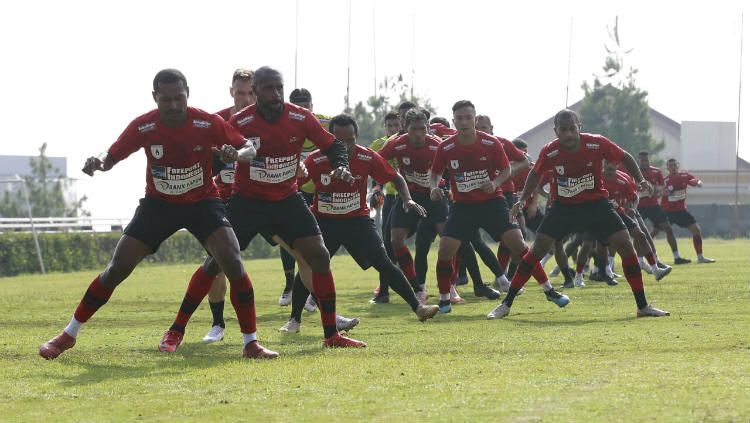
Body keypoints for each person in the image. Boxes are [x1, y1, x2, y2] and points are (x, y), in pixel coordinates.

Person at [39, 69, 279, 360]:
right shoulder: (144, 126)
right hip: (158, 205)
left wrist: (236, 155)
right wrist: (98, 161)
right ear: (155, 98)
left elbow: (248, 148)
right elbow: (112, 154)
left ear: (188, 93)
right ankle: (68, 334)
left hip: (202, 203)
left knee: (231, 258)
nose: (175, 105)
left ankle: (251, 343)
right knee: (117, 268)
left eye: (180, 98)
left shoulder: (207, 122)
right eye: (167, 100)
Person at [159, 66, 367, 349]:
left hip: (287, 200)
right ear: (256, 92)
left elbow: (334, 147)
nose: (276, 94)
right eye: (268, 88)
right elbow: (214, 159)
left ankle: (331, 335)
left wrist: (341, 165)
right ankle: (176, 330)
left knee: (318, 256)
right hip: (248, 202)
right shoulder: (240, 120)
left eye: (279, 88)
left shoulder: (300, 117)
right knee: (215, 263)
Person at [488, 109, 670, 319]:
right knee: (536, 250)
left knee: (625, 244)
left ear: (579, 128)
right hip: (563, 208)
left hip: (596, 205)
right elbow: (535, 174)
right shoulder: (550, 151)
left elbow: (625, 157)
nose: (568, 134)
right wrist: (521, 200)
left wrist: (640, 179)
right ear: (556, 131)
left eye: (572, 129)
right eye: (563, 130)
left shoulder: (597, 143)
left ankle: (642, 306)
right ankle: (506, 304)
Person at [279, 114, 440, 332]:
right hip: (324, 222)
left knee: (384, 262)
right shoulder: (316, 159)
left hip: (357, 221)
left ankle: (418, 307)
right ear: (329, 139)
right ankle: (294, 320)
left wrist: (407, 198)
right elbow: (294, 184)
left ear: (356, 137)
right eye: (339, 141)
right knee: (309, 266)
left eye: (350, 140)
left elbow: (396, 178)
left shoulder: (367, 157)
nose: (345, 146)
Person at [429, 100, 558, 314]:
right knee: (445, 251)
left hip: (492, 203)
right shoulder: (446, 146)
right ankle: (444, 299)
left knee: (519, 245)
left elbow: (507, 169)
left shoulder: (491, 143)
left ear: (475, 118)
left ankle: (549, 289)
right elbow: (435, 173)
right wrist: (433, 186)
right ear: (454, 121)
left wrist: (496, 183)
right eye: (459, 118)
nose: (464, 122)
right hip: (463, 206)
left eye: (468, 117)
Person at [203, 68, 256, 344]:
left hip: (262, 199)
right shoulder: (217, 122)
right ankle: (217, 324)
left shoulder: (266, 120)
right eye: (240, 92)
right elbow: (203, 163)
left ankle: (326, 318)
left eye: (250, 93)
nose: (245, 99)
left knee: (308, 251)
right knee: (217, 263)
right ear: (231, 91)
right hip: (224, 201)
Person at [277, 88, 332, 311]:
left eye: (305, 104)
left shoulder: (327, 123)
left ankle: (313, 293)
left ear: (312, 105)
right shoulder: (281, 123)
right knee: (286, 238)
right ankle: (290, 283)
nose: (301, 109)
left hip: (321, 189)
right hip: (292, 189)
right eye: (296, 104)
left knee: (319, 242)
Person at [369, 102, 417, 303]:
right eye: (392, 124)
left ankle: (450, 288)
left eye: (398, 123)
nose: (397, 127)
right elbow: (375, 166)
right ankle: (387, 291)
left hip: (424, 196)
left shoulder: (424, 139)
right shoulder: (386, 143)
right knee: (389, 245)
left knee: (448, 239)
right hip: (394, 198)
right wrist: (377, 188)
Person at [657, 159, 716, 264]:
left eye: (674, 165)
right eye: (670, 165)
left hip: (681, 211)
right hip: (667, 212)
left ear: (678, 165)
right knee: (653, 232)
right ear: (667, 167)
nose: (673, 167)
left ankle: (700, 257)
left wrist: (698, 183)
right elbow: (658, 193)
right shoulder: (665, 180)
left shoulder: (684, 176)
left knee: (696, 230)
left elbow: (696, 180)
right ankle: (645, 259)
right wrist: (663, 193)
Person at [635, 151, 683, 265]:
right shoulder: (634, 172)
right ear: (638, 161)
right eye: (642, 160)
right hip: (639, 206)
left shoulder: (656, 171)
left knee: (668, 228)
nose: (644, 162)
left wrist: (657, 190)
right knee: (637, 233)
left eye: (646, 160)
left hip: (653, 205)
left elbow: (661, 187)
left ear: (649, 160)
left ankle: (677, 257)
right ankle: (640, 260)